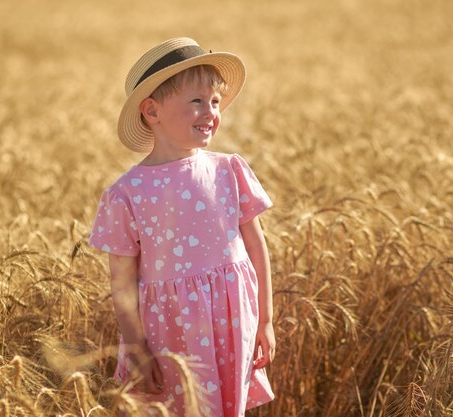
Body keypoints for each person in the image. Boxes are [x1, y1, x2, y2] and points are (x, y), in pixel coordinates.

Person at [89, 37, 275, 417]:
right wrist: (137, 349)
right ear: (152, 111)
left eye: (215, 102)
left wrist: (266, 320)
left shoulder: (229, 170)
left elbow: (256, 247)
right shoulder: (127, 193)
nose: (210, 112)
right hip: (170, 332)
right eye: (196, 101)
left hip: (233, 319)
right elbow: (121, 282)